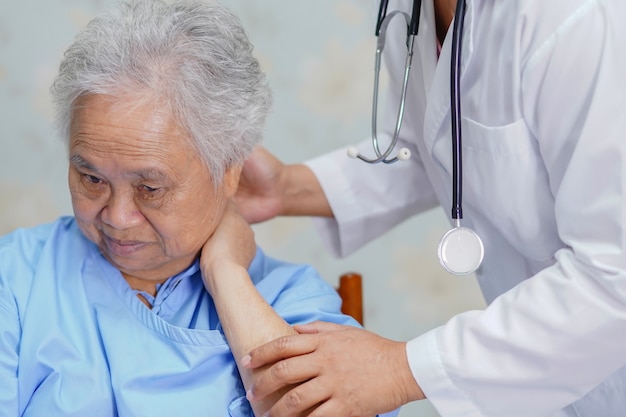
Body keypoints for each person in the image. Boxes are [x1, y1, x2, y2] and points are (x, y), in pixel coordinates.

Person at [0, 1, 400, 416]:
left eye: (150, 188)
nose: (117, 217)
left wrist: (226, 274)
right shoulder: (14, 279)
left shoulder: (289, 299)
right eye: (92, 179)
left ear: (228, 172)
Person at [230, 0, 626, 416]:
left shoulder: (577, 16)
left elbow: (615, 275)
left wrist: (398, 369)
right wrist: (287, 189)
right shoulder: (412, 9)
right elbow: (436, 148)